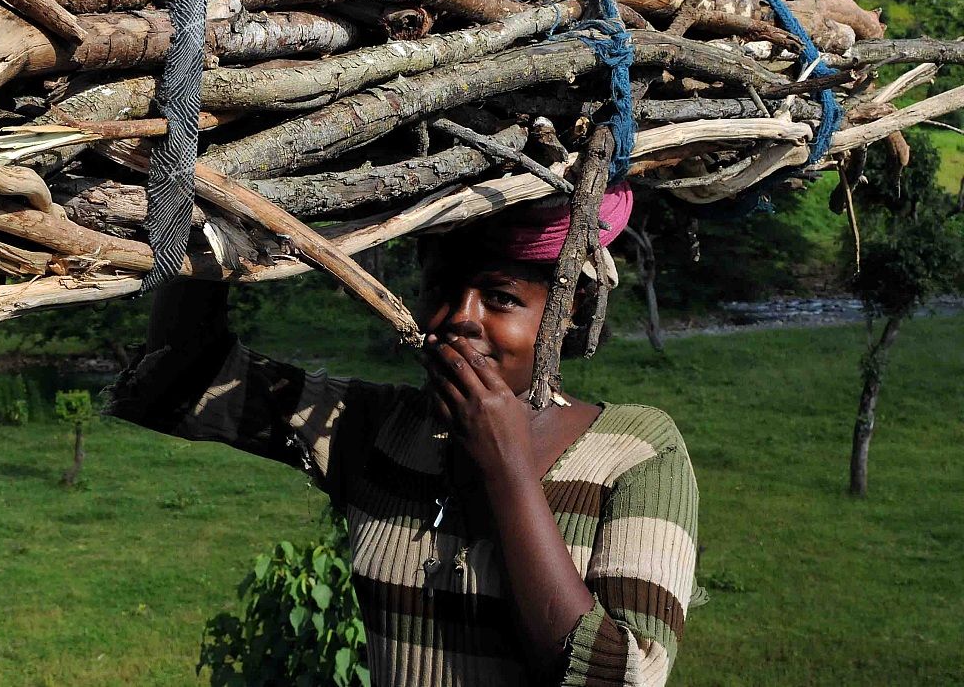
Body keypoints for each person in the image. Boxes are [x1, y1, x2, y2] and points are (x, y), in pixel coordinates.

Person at [108, 183, 699, 687]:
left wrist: (507, 470)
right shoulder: (377, 428)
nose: (460, 317)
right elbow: (179, 382)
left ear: (567, 311)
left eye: (501, 298)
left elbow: (621, 677)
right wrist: (204, 210)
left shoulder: (637, 450)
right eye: (442, 289)